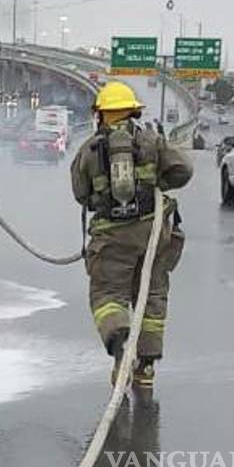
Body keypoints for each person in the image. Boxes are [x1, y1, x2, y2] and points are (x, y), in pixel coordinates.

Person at [70, 81, 192, 388]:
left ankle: (121, 345)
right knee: (151, 295)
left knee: (108, 296)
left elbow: (80, 193)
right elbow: (184, 170)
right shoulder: (152, 141)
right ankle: (146, 367)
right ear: (133, 112)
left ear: (101, 115)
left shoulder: (89, 149)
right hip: (154, 233)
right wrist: (157, 185)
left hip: (112, 237)